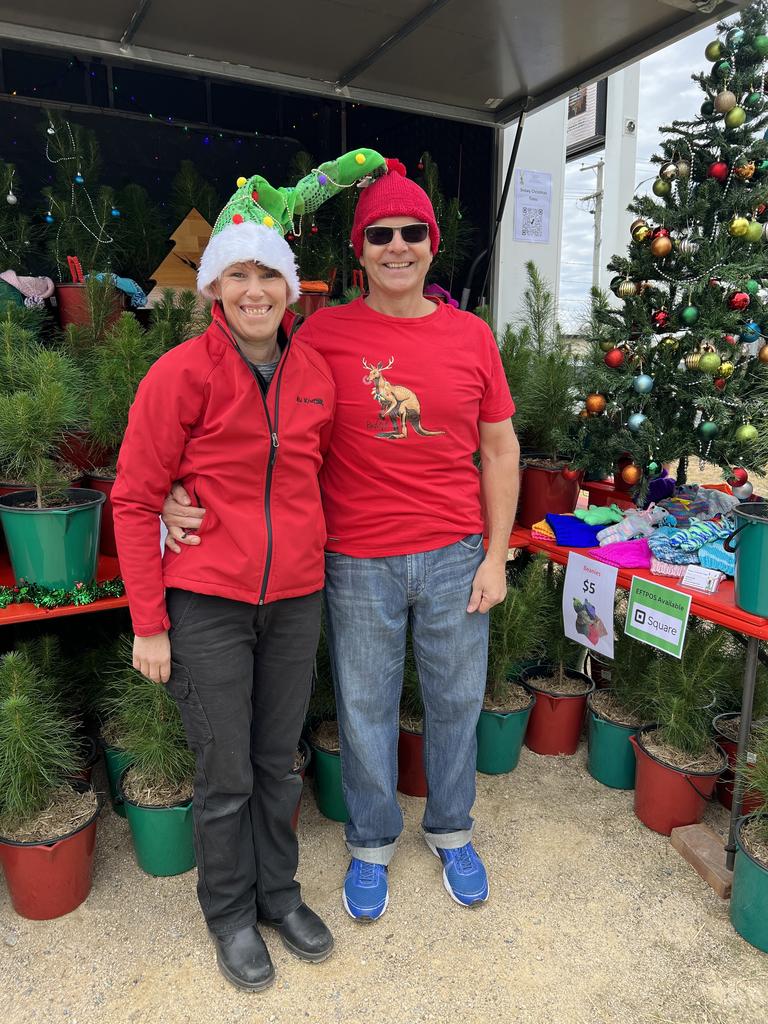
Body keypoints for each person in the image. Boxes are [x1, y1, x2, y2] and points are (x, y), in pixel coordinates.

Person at [163, 159, 520, 923]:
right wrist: (165, 487)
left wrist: (495, 554)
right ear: (358, 252)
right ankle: (371, 845)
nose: (398, 245)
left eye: (412, 231)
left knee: (457, 699)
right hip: (356, 556)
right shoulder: (319, 332)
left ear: (432, 244)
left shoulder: (471, 337)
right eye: (380, 234)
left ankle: (453, 830)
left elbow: (499, 450)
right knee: (364, 705)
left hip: (457, 551)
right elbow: (235, 397)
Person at [111, 177, 338, 991]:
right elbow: (136, 499)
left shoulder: (315, 373)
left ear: (289, 287)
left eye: (268, 276)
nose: (254, 291)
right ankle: (231, 913)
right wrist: (149, 623)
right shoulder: (179, 375)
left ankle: (279, 894)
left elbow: (324, 478)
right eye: (237, 276)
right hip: (206, 602)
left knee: (279, 762)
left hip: (294, 600)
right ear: (213, 287)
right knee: (228, 769)